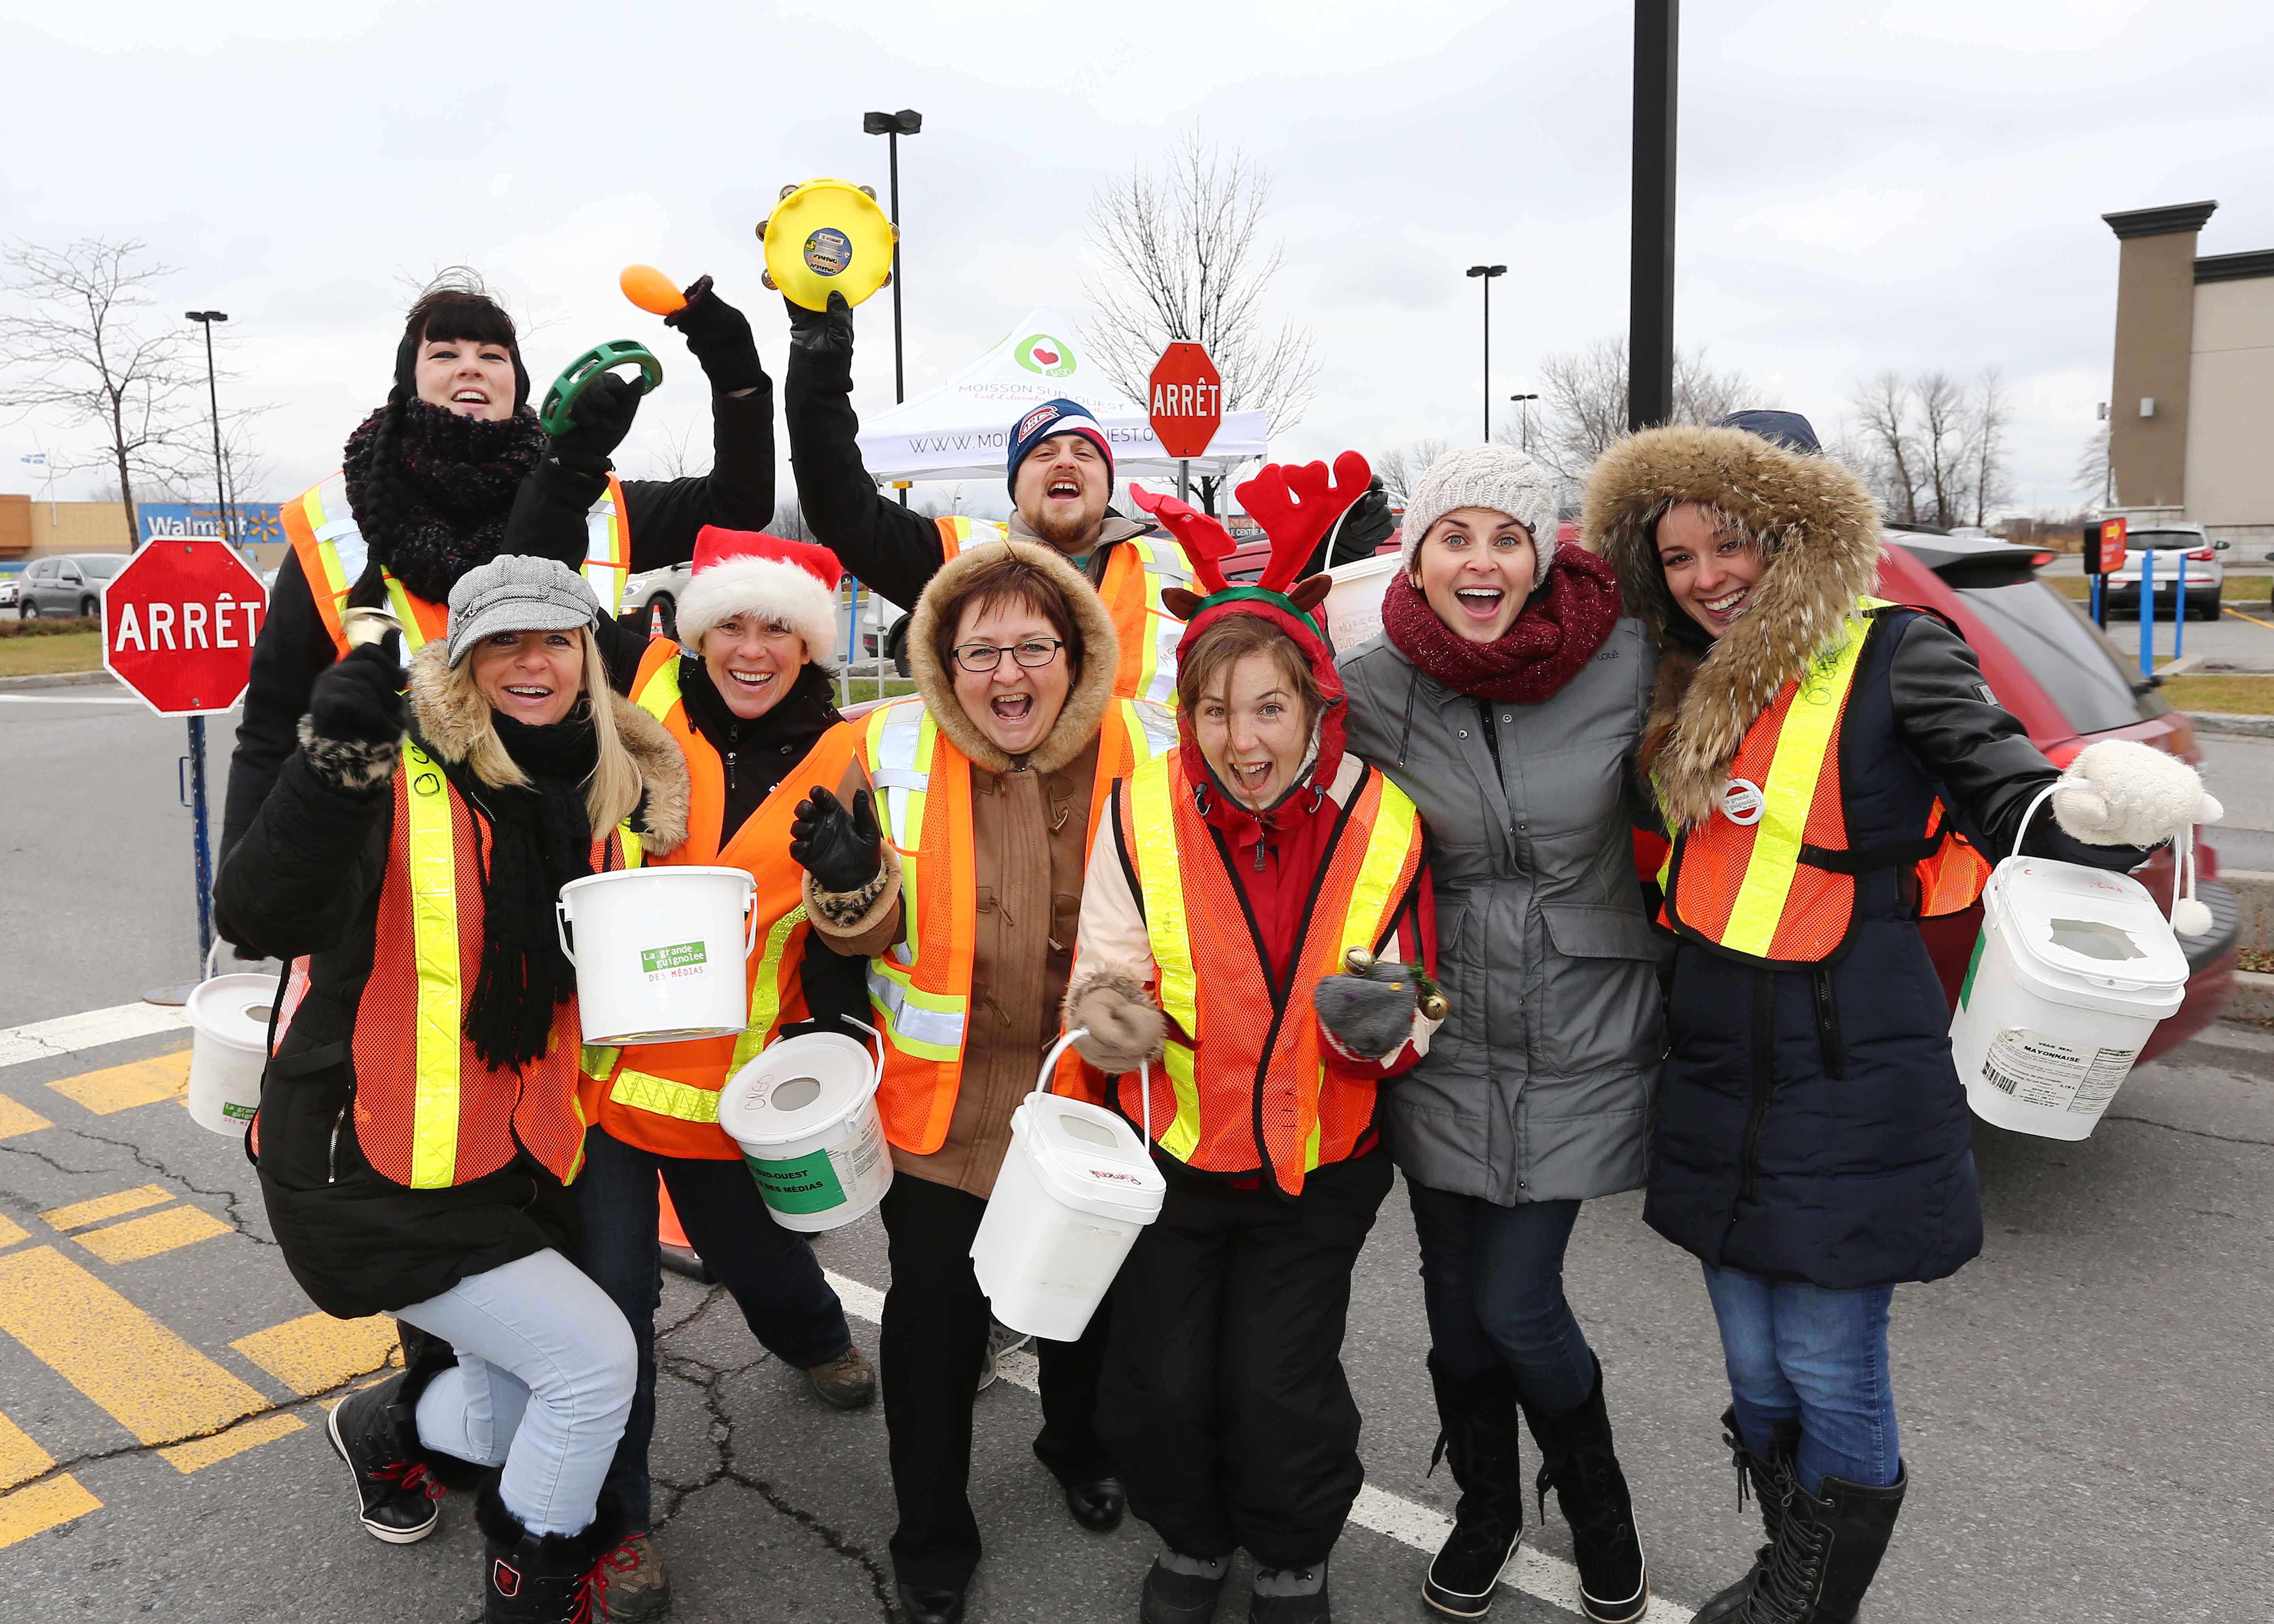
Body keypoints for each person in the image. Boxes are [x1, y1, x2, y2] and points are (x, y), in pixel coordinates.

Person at [1585, 413, 2216, 1623]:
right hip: (1718, 1065)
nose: (1706, 576)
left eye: (1731, 544)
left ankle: (1812, 1605)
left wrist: (2100, 814)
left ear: (1796, 539)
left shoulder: (1895, 654)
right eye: (1676, 557)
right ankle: (1788, 1562)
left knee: (1829, 1363)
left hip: (1850, 1063)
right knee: (1756, 1367)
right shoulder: (1681, 682)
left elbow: (2007, 791)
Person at [214, 557, 692, 1624]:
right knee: (590, 1367)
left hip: (510, 1162)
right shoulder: (400, 771)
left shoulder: (599, 791)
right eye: (505, 642)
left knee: (503, 1423)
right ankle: (531, 1603)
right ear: (464, 664)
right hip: (364, 1163)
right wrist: (326, 766)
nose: (535, 662)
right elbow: (254, 913)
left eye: (558, 639)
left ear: (588, 657)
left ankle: (384, 1433)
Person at [1060, 457, 1437, 1624]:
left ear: (1316, 706)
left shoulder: (1386, 820)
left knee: (1279, 1388)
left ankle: (1290, 1554)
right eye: (1215, 708)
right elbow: (1105, 962)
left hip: (1320, 1163)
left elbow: (1419, 997)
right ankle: (1192, 1537)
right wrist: (1107, 1018)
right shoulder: (1139, 810)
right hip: (1175, 1148)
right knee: (1163, 1383)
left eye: (1269, 706)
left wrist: (1383, 1032)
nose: (1242, 737)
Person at [793, 537, 1178, 1624]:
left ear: (1078, 651)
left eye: (1032, 648)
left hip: (1089, 1099)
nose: (1008, 676)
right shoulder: (883, 745)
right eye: (980, 653)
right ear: (943, 662)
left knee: (1085, 1305)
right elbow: (854, 930)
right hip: (941, 1108)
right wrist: (848, 884)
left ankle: (1078, 1443)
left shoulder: (1145, 752)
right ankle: (931, 1534)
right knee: (934, 1332)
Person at [1338, 443, 1656, 1622]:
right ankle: (1484, 1511)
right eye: (1453, 537)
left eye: (1505, 537)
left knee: (1520, 1302)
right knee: (1454, 1308)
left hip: (1579, 1023)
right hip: (1439, 1026)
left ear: (1543, 555)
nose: (1480, 560)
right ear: (1415, 558)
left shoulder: (1626, 656)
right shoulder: (1373, 687)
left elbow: (1747, 740)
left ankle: (1599, 1510)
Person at [574, 525, 880, 1621]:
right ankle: (616, 1525)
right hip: (605, 1091)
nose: (752, 649)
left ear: (810, 643)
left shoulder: (856, 761)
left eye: (778, 628)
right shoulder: (630, 720)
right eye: (730, 626)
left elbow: (866, 943)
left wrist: (849, 892)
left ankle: (814, 1341)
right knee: (609, 1314)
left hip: (741, 1097)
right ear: (698, 634)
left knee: (763, 1258)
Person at [223, 267, 774, 864]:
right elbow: (272, 723)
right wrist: (247, 881)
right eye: (445, 352)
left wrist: (731, 360)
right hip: (405, 888)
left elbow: (740, 503)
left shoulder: (593, 496)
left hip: (578, 858)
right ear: (408, 381)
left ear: (518, 383)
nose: (471, 366)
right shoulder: (334, 521)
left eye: (493, 354)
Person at [780, 290, 1201, 704]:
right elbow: (838, 505)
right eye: (1044, 454)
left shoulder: (1177, 568)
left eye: (1085, 454)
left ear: (1108, 483)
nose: (1066, 464)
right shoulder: (959, 558)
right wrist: (820, 367)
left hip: (1141, 775)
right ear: (1016, 488)